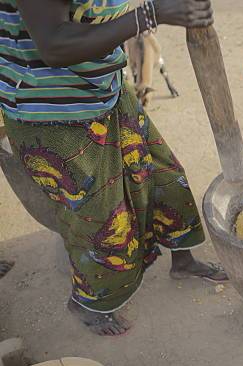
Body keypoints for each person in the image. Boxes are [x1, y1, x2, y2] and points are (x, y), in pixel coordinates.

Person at [0, 0, 227, 336]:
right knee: (102, 217)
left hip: (104, 89)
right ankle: (87, 302)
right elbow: (53, 44)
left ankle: (183, 260)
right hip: (52, 112)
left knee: (162, 175)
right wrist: (149, 16)